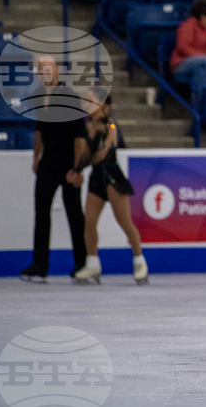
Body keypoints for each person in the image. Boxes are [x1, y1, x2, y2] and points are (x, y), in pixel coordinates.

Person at [67, 90, 148, 285]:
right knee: (89, 222)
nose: (86, 103)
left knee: (125, 222)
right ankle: (93, 263)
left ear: (102, 103)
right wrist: (76, 170)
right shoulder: (87, 126)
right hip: (96, 179)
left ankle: (139, 261)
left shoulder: (111, 125)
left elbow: (102, 154)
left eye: (90, 99)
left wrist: (80, 167)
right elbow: (86, 154)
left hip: (112, 177)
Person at [19, 56, 89, 283]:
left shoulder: (69, 97)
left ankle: (82, 263)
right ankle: (40, 264)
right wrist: (36, 156)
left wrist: (78, 168)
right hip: (48, 161)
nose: (44, 74)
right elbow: (39, 130)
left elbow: (79, 136)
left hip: (69, 163)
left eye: (48, 69)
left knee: (74, 213)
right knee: (41, 211)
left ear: (56, 71)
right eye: (41, 71)